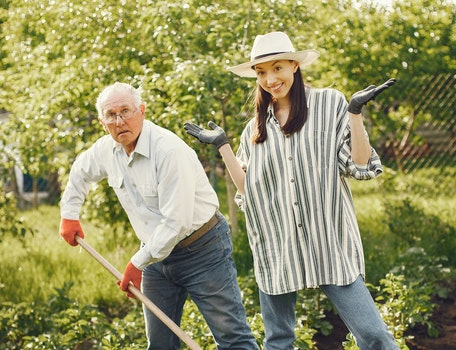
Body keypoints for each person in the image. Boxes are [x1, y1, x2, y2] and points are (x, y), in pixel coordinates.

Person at [184, 31, 399, 350]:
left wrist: (354, 114)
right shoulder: (255, 129)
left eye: (278, 68)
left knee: (374, 336)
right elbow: (250, 191)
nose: (270, 79)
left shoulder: (329, 104)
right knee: (279, 341)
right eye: (261, 72)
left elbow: (359, 166)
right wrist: (224, 146)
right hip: (277, 247)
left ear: (295, 66)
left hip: (328, 244)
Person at [59, 82, 259, 350]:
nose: (119, 121)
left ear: (141, 111)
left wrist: (137, 263)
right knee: (160, 344)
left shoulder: (168, 151)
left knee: (233, 338)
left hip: (202, 249)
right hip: (155, 258)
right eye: (111, 115)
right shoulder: (106, 150)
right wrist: (69, 215)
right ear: (102, 121)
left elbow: (176, 222)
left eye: (126, 111)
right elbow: (80, 172)